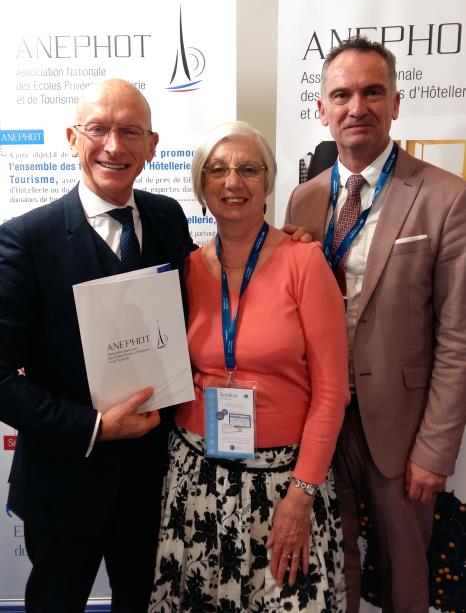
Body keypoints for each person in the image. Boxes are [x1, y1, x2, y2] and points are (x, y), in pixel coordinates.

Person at [0, 79, 196, 612]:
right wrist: (93, 427)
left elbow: (212, 289)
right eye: (99, 129)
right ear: (71, 138)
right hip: (64, 484)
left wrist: (280, 244)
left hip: (155, 483)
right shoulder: (24, 239)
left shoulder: (167, 217)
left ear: (152, 145)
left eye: (130, 131)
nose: (114, 145)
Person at [285, 37, 466, 612]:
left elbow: (458, 339)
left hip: (402, 431)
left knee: (405, 581)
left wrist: (435, 451)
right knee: (333, 572)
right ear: (321, 109)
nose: (356, 106)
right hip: (318, 425)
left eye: (371, 92)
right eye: (341, 94)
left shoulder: (445, 197)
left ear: (395, 103)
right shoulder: (302, 201)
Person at [149, 121, 350, 612]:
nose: (232, 182)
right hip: (197, 478)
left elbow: (331, 392)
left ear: (267, 182)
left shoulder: (305, 263)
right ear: (201, 187)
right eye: (216, 170)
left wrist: (301, 495)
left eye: (248, 169)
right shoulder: (186, 268)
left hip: (285, 483)